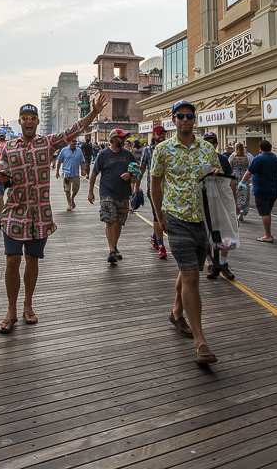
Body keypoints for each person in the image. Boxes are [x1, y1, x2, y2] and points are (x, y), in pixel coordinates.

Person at [0, 95, 107, 333]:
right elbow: (1, 173)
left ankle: (28, 304)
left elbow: (74, 130)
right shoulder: (9, 147)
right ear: (20, 121)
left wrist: (94, 113)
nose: (28, 121)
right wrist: (4, 178)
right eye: (25, 118)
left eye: (32, 118)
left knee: (32, 260)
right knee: (12, 260)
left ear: (37, 121)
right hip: (14, 211)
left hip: (39, 213)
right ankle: (11, 309)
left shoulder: (47, 142)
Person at [149, 99, 219, 365]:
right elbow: (155, 185)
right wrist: (159, 216)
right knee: (191, 276)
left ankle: (176, 312)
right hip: (176, 218)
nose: (185, 120)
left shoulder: (208, 150)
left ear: (195, 119)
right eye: (180, 116)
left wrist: (215, 174)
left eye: (189, 116)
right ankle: (201, 342)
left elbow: (218, 182)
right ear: (173, 120)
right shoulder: (163, 150)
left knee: (190, 269)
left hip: (202, 220)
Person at [88, 127, 135, 264]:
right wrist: (90, 192)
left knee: (119, 221)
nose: (124, 139)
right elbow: (94, 173)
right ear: (113, 139)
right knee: (110, 220)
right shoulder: (103, 155)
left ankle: (114, 246)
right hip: (107, 192)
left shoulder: (128, 154)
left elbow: (136, 171)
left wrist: (130, 174)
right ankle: (111, 251)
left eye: (124, 137)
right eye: (121, 137)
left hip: (123, 193)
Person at [202, 132, 236, 280]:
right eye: (207, 141)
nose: (210, 144)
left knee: (224, 232)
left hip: (221, 202)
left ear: (217, 144)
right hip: (204, 202)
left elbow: (231, 182)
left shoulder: (222, 159)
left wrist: (234, 202)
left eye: (213, 141)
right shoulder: (198, 160)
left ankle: (223, 262)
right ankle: (210, 263)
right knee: (206, 234)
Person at [240, 140, 277, 243]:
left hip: (262, 189)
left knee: (264, 213)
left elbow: (249, 172)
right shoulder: (276, 159)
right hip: (273, 189)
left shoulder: (258, 159)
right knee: (268, 211)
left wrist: (241, 182)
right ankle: (269, 233)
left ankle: (267, 235)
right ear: (270, 147)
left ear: (260, 149)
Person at [138, 125, 168, 259]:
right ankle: (162, 246)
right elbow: (142, 168)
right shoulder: (148, 150)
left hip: (168, 188)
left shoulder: (169, 149)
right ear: (154, 135)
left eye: (164, 133)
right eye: (159, 133)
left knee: (165, 216)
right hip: (153, 188)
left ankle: (154, 237)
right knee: (157, 215)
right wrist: (136, 186)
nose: (162, 135)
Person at [54, 135, 84, 211]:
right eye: (73, 141)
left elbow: (83, 161)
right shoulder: (64, 150)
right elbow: (59, 161)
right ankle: (69, 204)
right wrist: (57, 171)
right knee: (67, 189)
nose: (74, 143)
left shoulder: (79, 151)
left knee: (76, 188)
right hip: (67, 172)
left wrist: (84, 170)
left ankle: (72, 198)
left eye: (75, 141)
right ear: (69, 142)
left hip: (76, 173)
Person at [230, 142, 251, 222]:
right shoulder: (247, 157)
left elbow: (229, 166)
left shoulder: (232, 157)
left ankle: (237, 210)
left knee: (235, 193)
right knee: (244, 193)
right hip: (244, 178)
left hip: (234, 177)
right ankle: (242, 209)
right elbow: (249, 168)